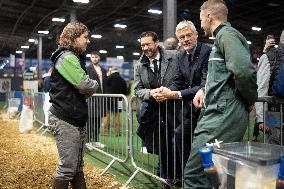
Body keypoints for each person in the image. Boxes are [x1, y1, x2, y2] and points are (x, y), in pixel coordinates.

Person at [184, 0, 258, 188]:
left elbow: (243, 71)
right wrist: (204, 89)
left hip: (223, 115)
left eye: (201, 19)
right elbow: (222, 77)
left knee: (195, 174)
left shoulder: (227, 36)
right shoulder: (221, 38)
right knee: (215, 175)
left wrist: (250, 100)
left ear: (209, 17)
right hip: (218, 112)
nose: (200, 25)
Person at [48, 21, 99, 189]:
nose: (88, 41)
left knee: (76, 167)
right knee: (67, 168)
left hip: (73, 117)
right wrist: (95, 85)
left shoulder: (72, 56)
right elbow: (85, 85)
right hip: (65, 118)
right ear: (74, 37)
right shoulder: (66, 57)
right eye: (85, 37)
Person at [157, 20, 211, 170]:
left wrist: (175, 94)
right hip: (192, 110)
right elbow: (178, 81)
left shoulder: (207, 52)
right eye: (182, 37)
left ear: (196, 35)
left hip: (208, 109)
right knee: (180, 134)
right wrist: (164, 91)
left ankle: (199, 176)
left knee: (206, 143)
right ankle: (187, 175)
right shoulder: (181, 56)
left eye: (188, 35)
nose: (185, 39)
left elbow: (204, 85)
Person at [134, 31, 179, 188]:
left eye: (148, 44)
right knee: (163, 147)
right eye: (142, 45)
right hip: (155, 112)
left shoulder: (174, 56)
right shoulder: (139, 65)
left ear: (156, 42)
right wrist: (151, 93)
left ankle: (179, 178)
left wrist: (169, 93)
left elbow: (182, 78)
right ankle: (165, 180)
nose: (145, 48)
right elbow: (138, 89)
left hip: (176, 109)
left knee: (178, 145)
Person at [255, 31, 284, 144]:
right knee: (274, 148)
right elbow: (261, 89)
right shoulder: (269, 57)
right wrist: (261, 119)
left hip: (275, 112)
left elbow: (260, 89)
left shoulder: (269, 56)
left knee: (275, 150)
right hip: (274, 114)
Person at [86, 51, 107, 147]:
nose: (94, 59)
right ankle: (88, 141)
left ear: (99, 58)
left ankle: (96, 140)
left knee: (98, 119)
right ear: (90, 58)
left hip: (101, 97)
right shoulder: (87, 69)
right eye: (93, 57)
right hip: (91, 97)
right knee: (90, 120)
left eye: (96, 57)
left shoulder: (103, 69)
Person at [104, 67, 128, 136]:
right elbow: (125, 91)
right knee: (117, 115)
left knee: (107, 115)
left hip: (109, 99)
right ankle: (117, 132)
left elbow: (105, 87)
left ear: (112, 71)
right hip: (119, 100)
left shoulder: (109, 78)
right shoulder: (122, 80)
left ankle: (106, 132)